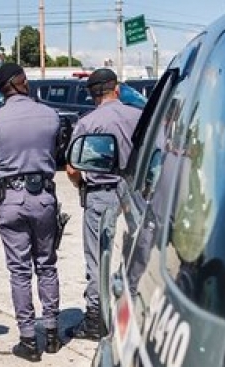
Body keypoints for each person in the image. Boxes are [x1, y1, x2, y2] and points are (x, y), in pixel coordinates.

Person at [0, 62, 63, 362]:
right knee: (47, 264)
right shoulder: (50, 115)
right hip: (43, 197)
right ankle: (52, 333)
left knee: (19, 270)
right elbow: (55, 152)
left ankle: (28, 340)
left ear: (1, 89)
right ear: (23, 82)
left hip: (10, 199)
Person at [64, 68, 141, 340]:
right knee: (135, 256)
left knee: (98, 260)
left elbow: (73, 168)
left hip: (99, 194)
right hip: (134, 195)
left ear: (91, 94)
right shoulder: (139, 116)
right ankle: (136, 315)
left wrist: (80, 184)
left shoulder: (87, 123)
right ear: (116, 89)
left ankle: (96, 321)